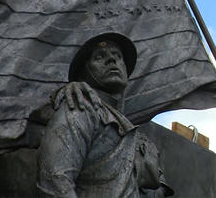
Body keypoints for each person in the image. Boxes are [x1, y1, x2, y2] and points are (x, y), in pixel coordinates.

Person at [37, 32, 164, 198]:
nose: (112, 60)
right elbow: (54, 180)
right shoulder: (80, 108)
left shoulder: (139, 139)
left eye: (118, 56)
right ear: (84, 72)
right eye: (99, 56)